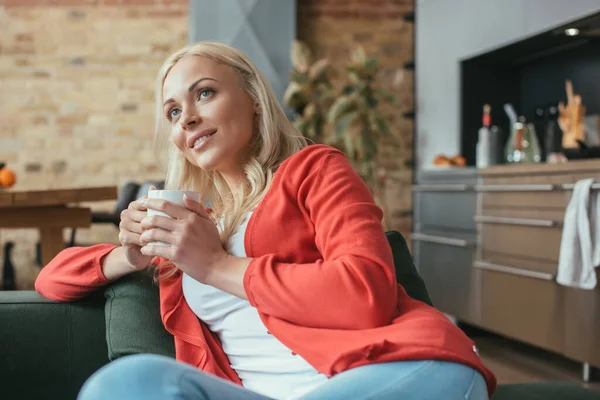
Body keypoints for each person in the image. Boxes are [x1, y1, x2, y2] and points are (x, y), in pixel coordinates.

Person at [35, 41, 496, 400]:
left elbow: (365, 292)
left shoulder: (315, 170)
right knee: (125, 382)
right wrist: (130, 255)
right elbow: (51, 281)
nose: (188, 119)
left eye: (205, 94)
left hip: (397, 370)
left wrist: (215, 266)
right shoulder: (193, 224)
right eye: (174, 112)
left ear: (254, 98)